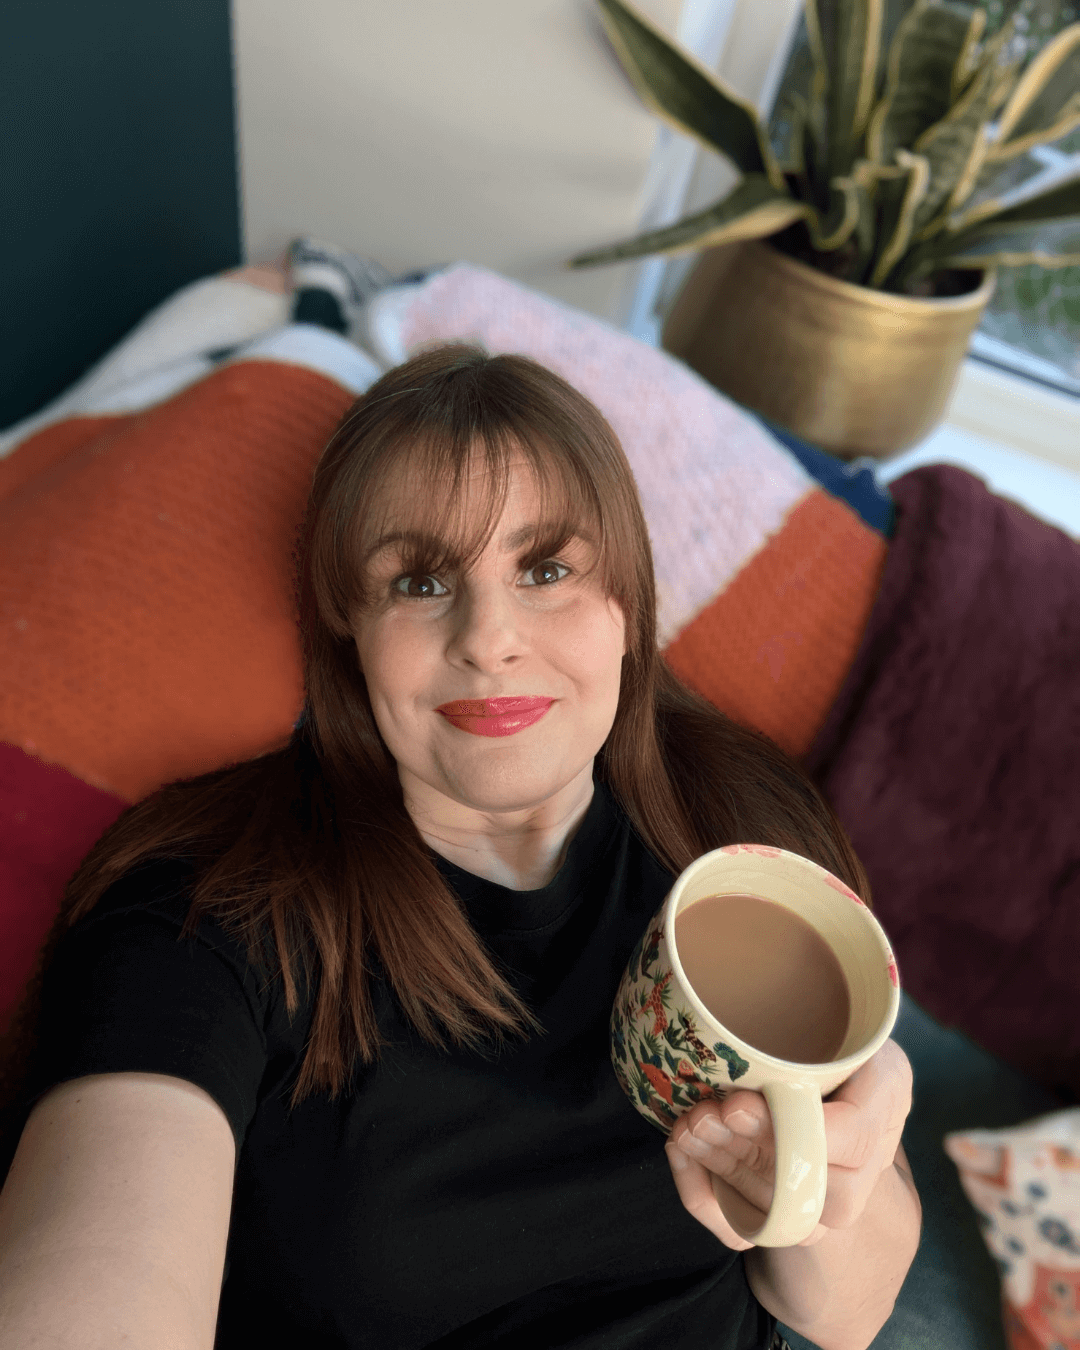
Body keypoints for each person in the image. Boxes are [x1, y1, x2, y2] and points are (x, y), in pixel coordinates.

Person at [0, 343, 919, 1349]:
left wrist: (829, 1191)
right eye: (422, 580)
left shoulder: (743, 826)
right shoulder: (204, 907)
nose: (489, 637)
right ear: (350, 621)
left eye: (546, 568)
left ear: (626, 606)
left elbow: (851, 1312)